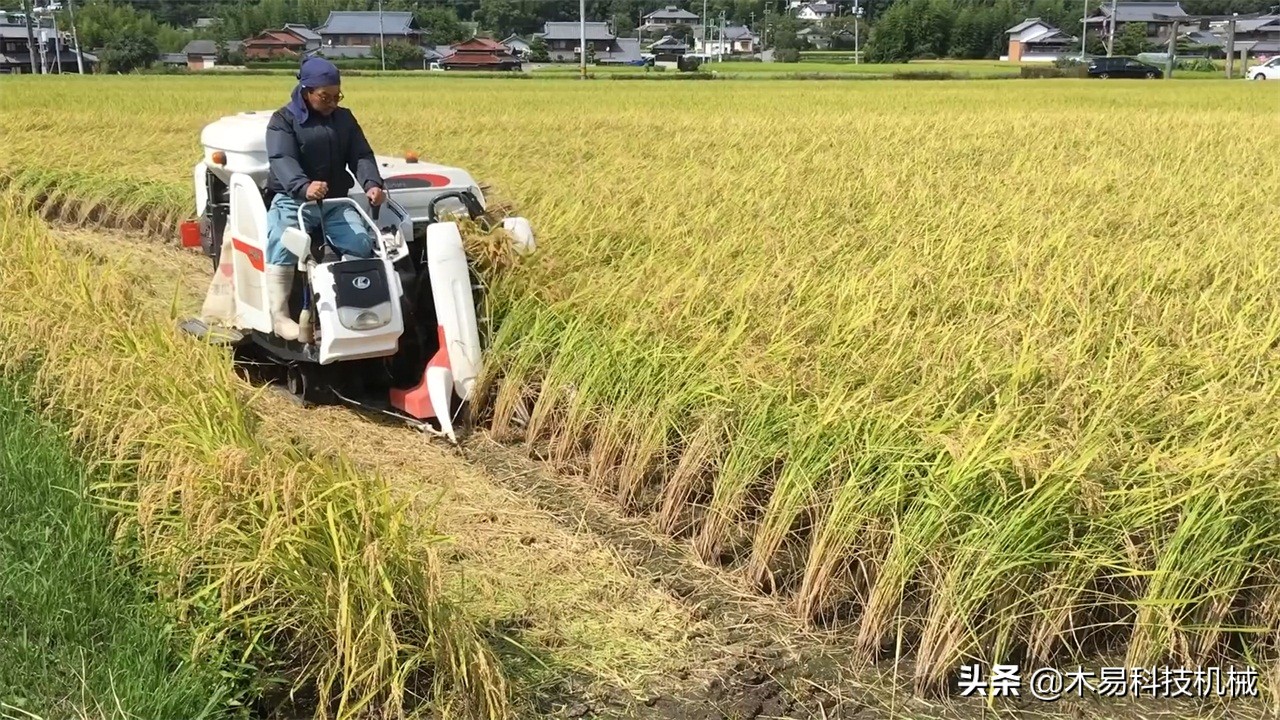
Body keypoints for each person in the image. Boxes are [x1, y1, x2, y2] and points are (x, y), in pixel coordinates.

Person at [263, 54, 386, 340]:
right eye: (325, 97)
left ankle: (348, 307)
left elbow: (361, 154)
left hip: (334, 202)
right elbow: (282, 159)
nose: (333, 103)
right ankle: (280, 317)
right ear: (306, 92)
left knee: (360, 241)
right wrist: (303, 186)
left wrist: (371, 183)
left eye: (337, 96)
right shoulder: (283, 120)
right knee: (282, 240)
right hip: (293, 199)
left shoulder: (344, 119)